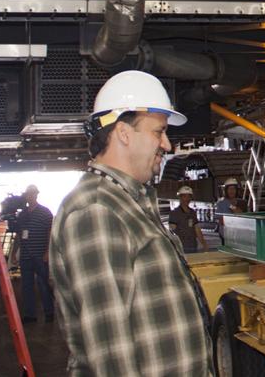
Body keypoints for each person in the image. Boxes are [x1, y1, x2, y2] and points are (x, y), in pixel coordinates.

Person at [49, 70, 211, 376]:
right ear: (124, 133)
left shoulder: (128, 201)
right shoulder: (97, 210)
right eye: (158, 131)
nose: (168, 145)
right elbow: (111, 355)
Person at [16, 185, 55, 323]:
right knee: (27, 286)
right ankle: (29, 314)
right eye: (28, 194)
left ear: (36, 195)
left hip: (40, 256)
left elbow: (51, 234)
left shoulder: (45, 213)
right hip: (26, 255)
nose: (30, 196)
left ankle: (49, 312)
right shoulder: (22, 215)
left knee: (43, 284)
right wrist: (17, 252)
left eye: (32, 194)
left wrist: (47, 252)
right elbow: (19, 235)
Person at [168, 186, 206, 253]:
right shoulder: (174, 213)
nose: (187, 199)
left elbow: (197, 229)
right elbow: (172, 232)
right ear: (180, 197)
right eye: (184, 196)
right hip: (181, 247)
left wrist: (204, 243)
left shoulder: (192, 212)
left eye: (189, 196)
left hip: (193, 245)